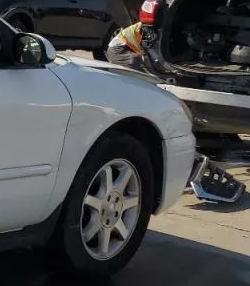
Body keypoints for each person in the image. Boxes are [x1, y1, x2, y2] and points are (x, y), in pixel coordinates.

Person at [103, 21, 244, 202]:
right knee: (143, 78)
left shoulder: (167, 27)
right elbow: (155, 54)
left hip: (130, 47)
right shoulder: (156, 28)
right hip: (121, 49)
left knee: (149, 77)